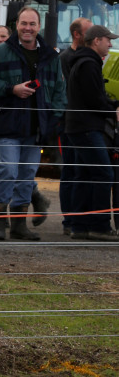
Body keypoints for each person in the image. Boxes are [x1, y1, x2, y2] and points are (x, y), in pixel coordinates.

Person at [0, 5, 66, 241]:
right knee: (7, 171)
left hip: (37, 127)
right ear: (16, 26)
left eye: (32, 24)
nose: (27, 28)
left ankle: (19, 224)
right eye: (23, 23)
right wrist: (11, 89)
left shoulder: (51, 56)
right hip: (8, 124)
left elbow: (60, 90)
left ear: (39, 27)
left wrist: (54, 116)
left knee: (27, 174)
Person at [65, 24, 119, 241]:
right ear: (96, 40)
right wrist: (112, 111)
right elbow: (94, 100)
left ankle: (79, 225)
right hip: (87, 127)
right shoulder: (89, 65)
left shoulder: (83, 62)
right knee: (103, 174)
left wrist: (112, 104)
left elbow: (94, 97)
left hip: (78, 126)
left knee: (84, 175)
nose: (111, 44)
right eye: (108, 40)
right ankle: (99, 225)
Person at [58, 17, 93, 233]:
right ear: (77, 34)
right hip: (69, 123)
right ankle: (68, 220)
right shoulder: (65, 58)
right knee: (70, 170)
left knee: (85, 171)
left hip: (88, 124)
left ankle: (82, 217)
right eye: (90, 32)